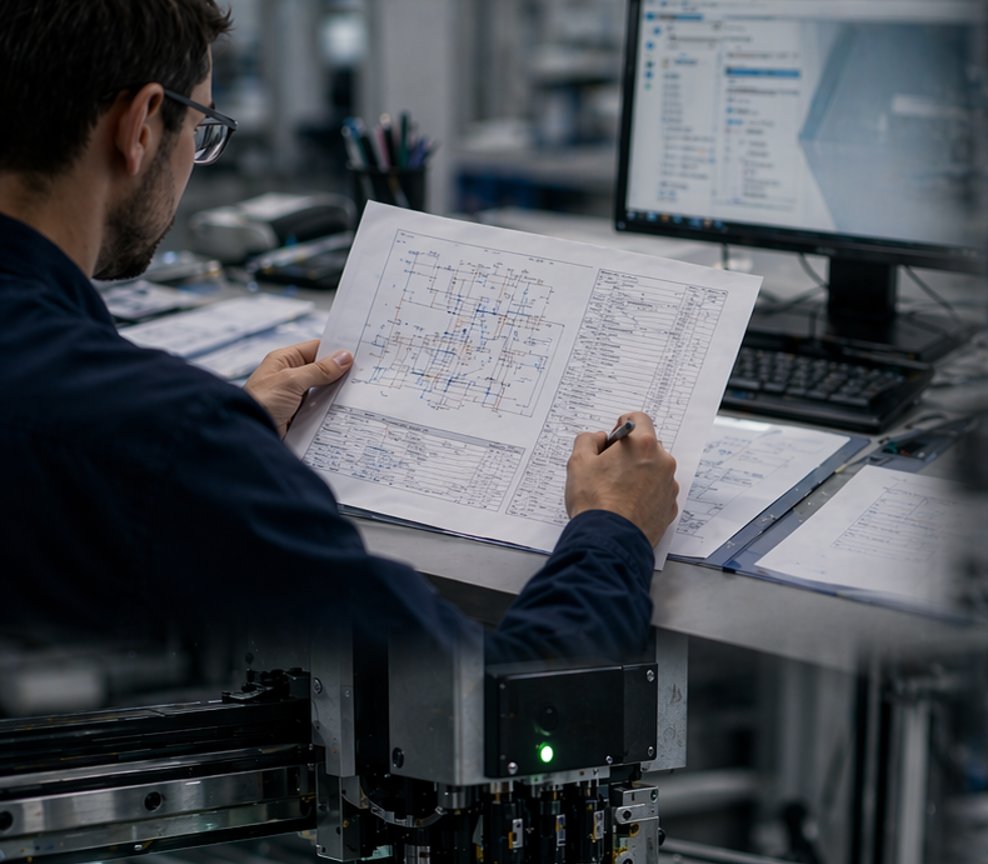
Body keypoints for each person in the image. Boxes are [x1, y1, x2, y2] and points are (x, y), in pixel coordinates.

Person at [0, 0, 677, 660]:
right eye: (201, 128)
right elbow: (502, 704)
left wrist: (229, 442)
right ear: (142, 125)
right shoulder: (172, 436)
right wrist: (614, 526)